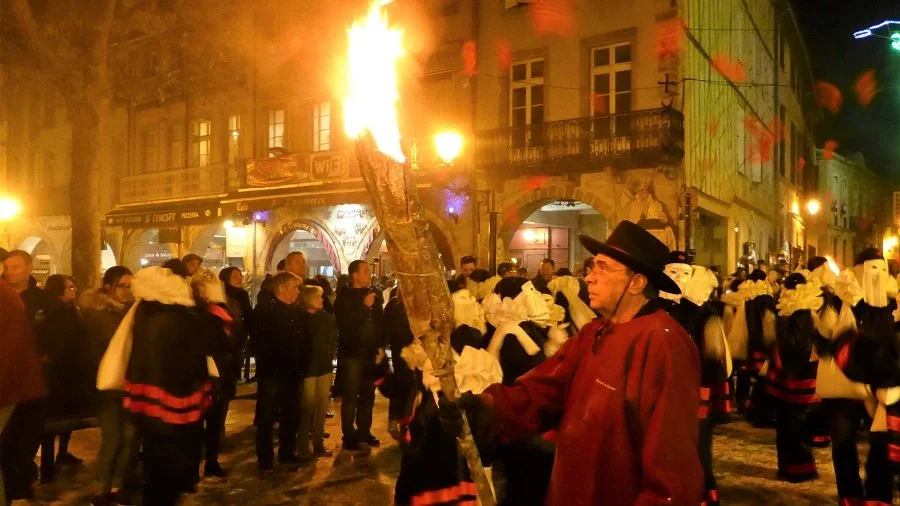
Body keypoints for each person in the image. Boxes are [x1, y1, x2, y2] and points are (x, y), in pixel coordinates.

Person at [458, 220, 704, 505]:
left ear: (636, 282)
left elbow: (671, 461)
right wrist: (485, 408)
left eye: (602, 268)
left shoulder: (663, 343)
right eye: (592, 267)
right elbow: (542, 390)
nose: (589, 277)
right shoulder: (594, 332)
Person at [123, 266, 215, 506]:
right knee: (170, 457)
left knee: (155, 455)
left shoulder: (144, 312)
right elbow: (201, 348)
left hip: (149, 394)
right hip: (175, 395)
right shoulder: (178, 317)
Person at [658, 253, 730, 506]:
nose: (678, 278)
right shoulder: (655, 306)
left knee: (696, 446)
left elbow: (711, 357)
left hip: (693, 391)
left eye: (684, 273)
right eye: (672, 272)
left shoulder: (705, 311)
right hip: (660, 390)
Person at [80, 266, 139, 506]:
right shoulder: (97, 315)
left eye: (129, 286)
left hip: (130, 383)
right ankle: (100, 488)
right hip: (107, 385)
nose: (126, 291)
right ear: (109, 287)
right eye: (121, 286)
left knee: (131, 435)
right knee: (113, 436)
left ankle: (118, 486)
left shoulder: (133, 313)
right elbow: (94, 350)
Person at [0, 249, 47, 506]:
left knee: (18, 446)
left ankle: (18, 494)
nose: (9, 272)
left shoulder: (36, 299)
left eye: (15, 267)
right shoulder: (8, 294)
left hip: (15, 384)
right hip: (16, 383)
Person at [766, 273, 822, 483]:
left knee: (790, 426)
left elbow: (791, 345)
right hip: (803, 377)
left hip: (792, 379)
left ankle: (794, 467)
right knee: (796, 425)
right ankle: (797, 465)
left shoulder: (793, 316)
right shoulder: (810, 314)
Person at [37, 274, 89, 484]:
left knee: (64, 418)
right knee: (52, 422)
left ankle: (61, 455)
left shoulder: (69, 310)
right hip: (58, 373)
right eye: (69, 287)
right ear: (59, 290)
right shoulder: (55, 312)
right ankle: (48, 466)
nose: (73, 290)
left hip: (68, 372)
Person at [252, 272, 307, 470]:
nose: (298, 292)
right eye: (295, 287)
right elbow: (261, 342)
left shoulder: (295, 311)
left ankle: (287, 452)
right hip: (272, 373)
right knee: (267, 416)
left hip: (293, 372)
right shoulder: (265, 311)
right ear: (282, 288)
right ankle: (265, 457)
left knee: (291, 414)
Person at [191, 269, 236, 479]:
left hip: (222, 368)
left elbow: (234, 336)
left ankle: (211, 461)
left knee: (216, 421)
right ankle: (193, 466)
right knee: (197, 420)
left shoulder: (221, 310)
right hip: (203, 372)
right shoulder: (194, 311)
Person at [335, 260, 384, 451]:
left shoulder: (374, 295)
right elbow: (345, 325)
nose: (368, 273)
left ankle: (365, 431)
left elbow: (379, 322)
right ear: (354, 275)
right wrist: (364, 307)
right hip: (352, 354)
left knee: (368, 395)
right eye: (364, 270)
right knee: (350, 396)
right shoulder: (344, 297)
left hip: (370, 353)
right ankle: (349, 434)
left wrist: (380, 344)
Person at [297, 285, 337, 461]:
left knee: (321, 406)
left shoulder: (325, 318)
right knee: (306, 407)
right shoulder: (300, 319)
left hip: (324, 367)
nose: (322, 300)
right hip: (307, 368)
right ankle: (303, 445)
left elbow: (332, 338)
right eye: (317, 297)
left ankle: (318, 443)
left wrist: (329, 353)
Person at [219, 267, 253, 383]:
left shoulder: (242, 295)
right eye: (235, 276)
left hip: (240, 332)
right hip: (231, 332)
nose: (239, 278)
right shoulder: (224, 295)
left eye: (240, 275)